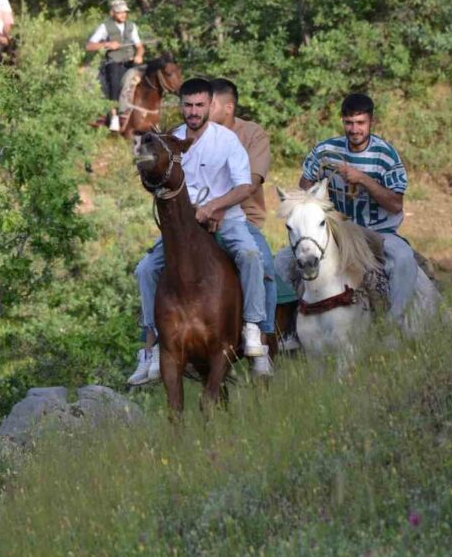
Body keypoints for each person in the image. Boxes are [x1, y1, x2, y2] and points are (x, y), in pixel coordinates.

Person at [128, 78, 267, 386]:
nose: (193, 111)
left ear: (209, 106)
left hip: (226, 217)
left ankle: (253, 328)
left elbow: (245, 185)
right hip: (184, 224)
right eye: (188, 105)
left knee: (250, 254)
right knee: (146, 268)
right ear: (181, 106)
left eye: (199, 105)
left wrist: (215, 207)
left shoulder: (226, 140)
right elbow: (155, 180)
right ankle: (151, 347)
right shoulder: (171, 139)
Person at [298, 93, 418, 324]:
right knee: (285, 259)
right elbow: (304, 188)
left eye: (360, 123)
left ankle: (395, 321)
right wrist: (317, 187)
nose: (354, 129)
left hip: (378, 231)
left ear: (371, 122)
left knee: (403, 258)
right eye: (349, 123)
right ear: (342, 121)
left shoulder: (386, 155)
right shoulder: (325, 150)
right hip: (336, 229)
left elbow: (395, 204)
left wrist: (363, 179)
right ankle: (286, 328)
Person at [208, 78, 277, 377]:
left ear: (228, 107)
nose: (202, 110)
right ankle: (156, 346)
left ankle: (264, 340)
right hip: (202, 217)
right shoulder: (198, 135)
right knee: (155, 266)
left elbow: (251, 182)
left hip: (243, 217)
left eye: (209, 104)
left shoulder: (253, 135)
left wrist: (220, 207)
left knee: (265, 267)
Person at [86, 0, 145, 131]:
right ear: (112, 13)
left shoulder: (132, 26)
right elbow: (89, 46)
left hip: (131, 61)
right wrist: (107, 44)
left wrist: (139, 55)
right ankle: (114, 116)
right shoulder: (104, 27)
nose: (123, 15)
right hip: (114, 62)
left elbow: (139, 46)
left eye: (125, 12)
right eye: (119, 12)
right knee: (114, 82)